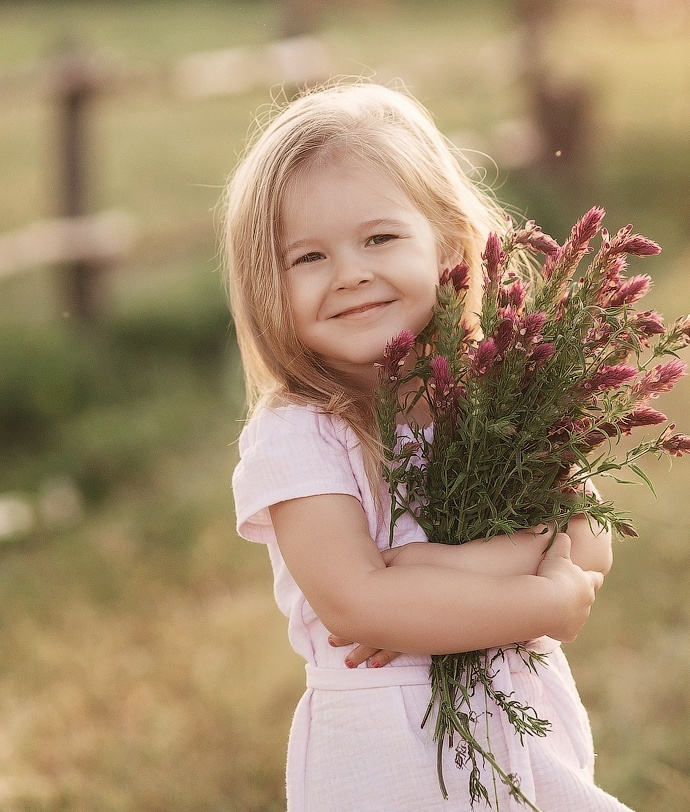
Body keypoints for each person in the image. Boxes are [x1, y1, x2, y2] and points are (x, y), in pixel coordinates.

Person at [225, 81, 634, 811]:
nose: (350, 273)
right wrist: (539, 602)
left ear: (448, 242)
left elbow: (587, 537)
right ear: (268, 286)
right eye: (308, 257)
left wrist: (429, 568)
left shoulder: (503, 395)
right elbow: (357, 604)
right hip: (389, 761)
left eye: (379, 238)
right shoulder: (301, 432)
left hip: (524, 734)